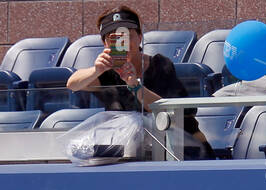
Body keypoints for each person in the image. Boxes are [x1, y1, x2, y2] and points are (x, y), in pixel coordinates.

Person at [68, 6, 213, 158]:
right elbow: (73, 84)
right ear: (105, 43)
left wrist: (135, 86)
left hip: (179, 150)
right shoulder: (106, 72)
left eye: (127, 36)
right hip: (132, 152)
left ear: (139, 37)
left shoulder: (160, 65)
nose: (123, 44)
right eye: (114, 39)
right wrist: (96, 70)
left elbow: (170, 110)